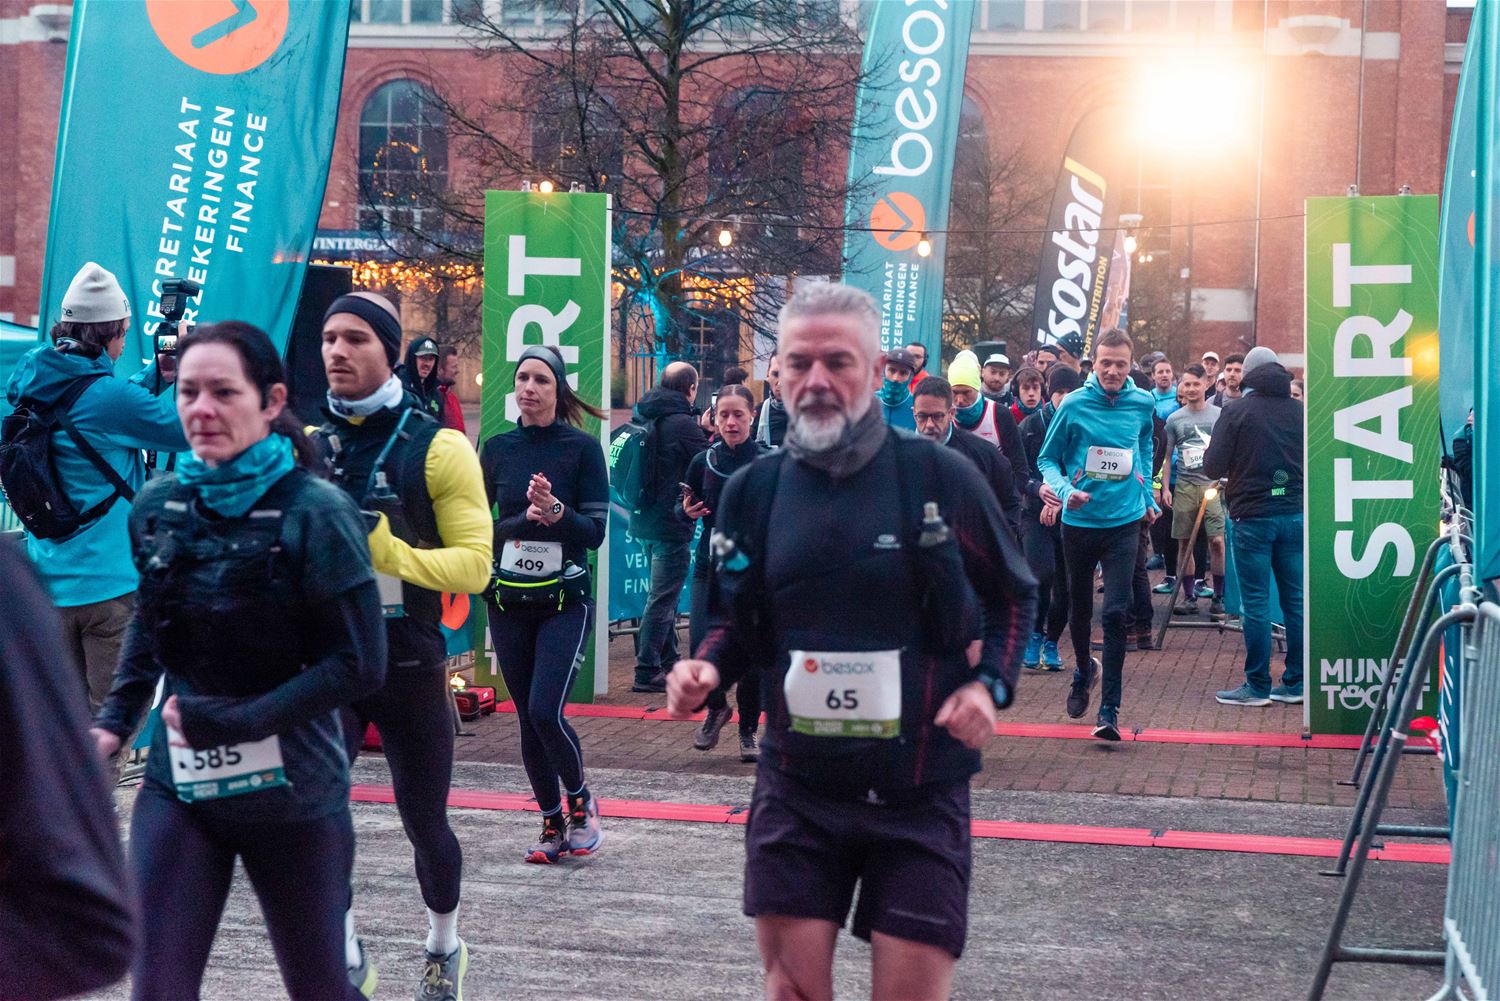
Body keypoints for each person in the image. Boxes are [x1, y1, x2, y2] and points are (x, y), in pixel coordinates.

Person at [667, 282, 1036, 1000]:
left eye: (837, 362)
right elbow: (734, 618)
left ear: (874, 373)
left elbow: (1013, 593)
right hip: (798, 786)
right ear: (777, 374)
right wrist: (705, 668)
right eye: (798, 363)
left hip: (919, 787)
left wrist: (989, 685)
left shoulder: (939, 476)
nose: (816, 380)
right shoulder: (752, 492)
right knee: (792, 990)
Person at [91, 321, 387, 1001]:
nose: (201, 409)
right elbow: (152, 621)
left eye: (223, 392)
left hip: (295, 794)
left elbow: (359, 662)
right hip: (181, 790)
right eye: (188, 392)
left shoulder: (318, 512)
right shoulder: (157, 504)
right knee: (156, 991)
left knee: (319, 988)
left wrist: (241, 720)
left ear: (271, 400)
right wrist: (113, 722)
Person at [313, 292, 492, 1000]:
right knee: (317, 813)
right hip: (328, 662)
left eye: (355, 338)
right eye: (329, 337)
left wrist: (392, 555)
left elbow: (476, 567)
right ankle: (344, 949)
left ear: (391, 352)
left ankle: (444, 946)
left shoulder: (438, 446)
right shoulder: (306, 443)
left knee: (424, 820)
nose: (337, 350)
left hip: (408, 659)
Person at [4, 261, 187, 714]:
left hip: (49, 586)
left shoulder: (33, 376)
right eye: (123, 333)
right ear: (109, 334)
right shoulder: (109, 399)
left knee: (63, 728)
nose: (124, 344)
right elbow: (187, 430)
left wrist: (157, 376)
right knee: (112, 726)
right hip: (111, 591)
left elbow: (92, 408)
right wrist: (192, 373)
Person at [480, 345, 609, 863]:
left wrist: (556, 511)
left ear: (558, 391)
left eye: (541, 380)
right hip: (508, 600)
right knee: (526, 719)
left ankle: (580, 802)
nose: (529, 388)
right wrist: (523, 520)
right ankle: (551, 822)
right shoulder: (497, 448)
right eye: (522, 378)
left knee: (544, 710)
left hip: (564, 600)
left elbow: (595, 534)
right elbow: (479, 529)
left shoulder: (583, 450)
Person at [2, 540, 134, 1001]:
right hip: (100, 589)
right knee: (92, 719)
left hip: (69, 589)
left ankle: (98, 796)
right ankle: (101, 796)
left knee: (90, 719)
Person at [1037, 328, 1159, 741]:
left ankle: (1109, 710)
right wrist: (1065, 492)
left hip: (1124, 523)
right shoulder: (1074, 404)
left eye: (1120, 365)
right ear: (1094, 362)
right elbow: (1047, 459)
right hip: (1080, 524)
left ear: (1130, 366)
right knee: (1079, 609)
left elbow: (1145, 444)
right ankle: (1084, 669)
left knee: (1115, 614)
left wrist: (1147, 492)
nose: (1112, 371)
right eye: (1105, 363)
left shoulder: (1143, 403)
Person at [1203, 346, 1304, 707]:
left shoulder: (1236, 411)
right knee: (1296, 601)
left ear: (1247, 375)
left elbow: (1213, 467)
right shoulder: (1301, 411)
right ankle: (1297, 682)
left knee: (1256, 603)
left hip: (1252, 516)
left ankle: (1258, 685)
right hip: (1294, 513)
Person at [681, 385, 768, 761]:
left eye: (739, 415)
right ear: (714, 419)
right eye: (724, 415)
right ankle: (717, 707)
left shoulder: (767, 463)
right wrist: (684, 512)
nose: (731, 422)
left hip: (753, 573)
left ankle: (748, 730)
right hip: (710, 565)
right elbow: (681, 507)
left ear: (752, 416)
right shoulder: (702, 461)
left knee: (751, 654)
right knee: (699, 646)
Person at [629, 362, 711, 692]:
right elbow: (708, 461)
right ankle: (647, 670)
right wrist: (706, 432)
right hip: (669, 523)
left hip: (642, 519)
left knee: (663, 598)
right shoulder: (681, 424)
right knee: (662, 601)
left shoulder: (645, 414)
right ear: (691, 389)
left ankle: (668, 662)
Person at [1018, 365, 1083, 671]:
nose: (1065, 398)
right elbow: (1017, 472)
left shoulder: (1084, 425)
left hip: (1071, 514)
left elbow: (1085, 470)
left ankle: (1052, 640)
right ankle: (1034, 633)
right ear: (1049, 392)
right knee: (1041, 573)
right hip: (1034, 514)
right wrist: (1039, 490)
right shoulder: (1030, 426)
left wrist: (1059, 498)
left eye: (1071, 392)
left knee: (1068, 583)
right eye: (1059, 392)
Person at [912, 375, 1022, 536]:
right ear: (914, 413)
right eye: (922, 416)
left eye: (937, 416)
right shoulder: (898, 455)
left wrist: (992, 543)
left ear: (951, 413)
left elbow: (1010, 504)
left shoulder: (983, 453)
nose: (929, 425)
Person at [1157, 365, 1226, 618]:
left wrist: (1226, 480)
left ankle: (1219, 597)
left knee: (1217, 541)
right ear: (1181, 387)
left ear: (1206, 384)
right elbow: (1166, 458)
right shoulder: (1174, 419)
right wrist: (1165, 487)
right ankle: (1189, 597)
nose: (1191, 388)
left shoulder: (1219, 415)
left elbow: (1228, 450)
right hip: (1184, 486)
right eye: (1186, 384)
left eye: (1196, 384)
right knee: (1185, 542)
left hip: (1213, 486)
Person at [947, 349, 1030, 502]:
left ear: (977, 388)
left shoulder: (1000, 414)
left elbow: (1020, 468)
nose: (959, 400)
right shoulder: (944, 416)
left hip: (997, 500)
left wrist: (1007, 503)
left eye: (966, 392)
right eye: (955, 392)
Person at [397, 336, 443, 420]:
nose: (427, 364)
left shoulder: (435, 393)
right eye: (423, 358)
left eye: (431, 359)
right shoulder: (399, 388)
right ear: (412, 358)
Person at [875, 347, 918, 431]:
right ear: (884, 370)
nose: (895, 378)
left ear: (910, 377)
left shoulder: (916, 407)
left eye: (903, 373)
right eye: (892, 370)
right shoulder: (868, 402)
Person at [756, 353, 788, 448]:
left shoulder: (812, 414)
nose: (780, 383)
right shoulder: (758, 413)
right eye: (776, 374)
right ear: (767, 375)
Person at [436, 344, 466, 433]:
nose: (457, 371)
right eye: (454, 367)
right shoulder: (430, 399)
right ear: (439, 369)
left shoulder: (451, 398)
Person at [1150, 356, 1178, 421]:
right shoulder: (1149, 398)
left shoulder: (1180, 396)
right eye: (1160, 372)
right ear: (1153, 375)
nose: (1165, 375)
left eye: (1168, 371)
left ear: (1172, 374)